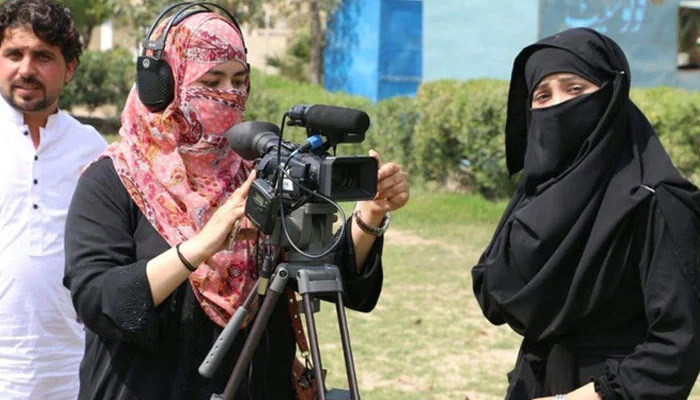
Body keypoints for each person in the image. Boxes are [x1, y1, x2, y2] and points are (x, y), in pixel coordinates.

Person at [63, 6, 409, 400]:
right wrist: (199, 247)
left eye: (239, 80)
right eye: (212, 80)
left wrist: (369, 216)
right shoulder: (114, 179)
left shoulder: (263, 170)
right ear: (163, 85)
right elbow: (97, 298)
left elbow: (332, 273)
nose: (229, 93)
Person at [472, 28, 700, 400]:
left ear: (611, 94)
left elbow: (678, 343)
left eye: (575, 88)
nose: (557, 105)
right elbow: (495, 295)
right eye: (542, 96)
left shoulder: (654, 199)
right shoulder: (538, 194)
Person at [0, 0, 107, 398]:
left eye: (43, 56)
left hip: (69, 368)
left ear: (70, 68)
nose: (26, 69)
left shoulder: (92, 150)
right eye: (14, 54)